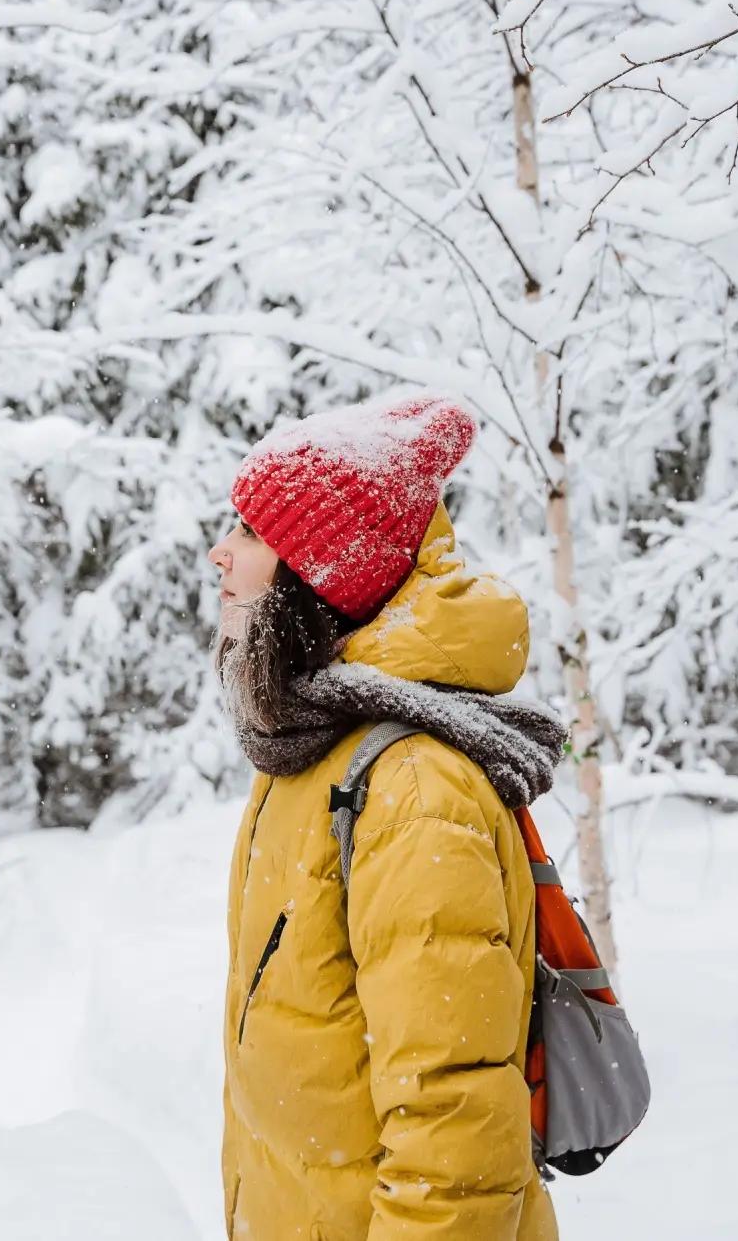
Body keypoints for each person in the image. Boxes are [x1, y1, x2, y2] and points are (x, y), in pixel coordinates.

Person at [211, 392, 565, 1241]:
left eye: (252, 535)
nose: (220, 554)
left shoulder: (410, 788)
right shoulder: (317, 749)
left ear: (320, 574)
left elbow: (454, 1125)